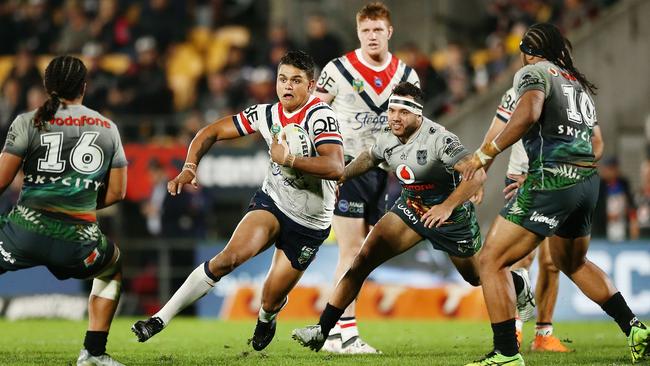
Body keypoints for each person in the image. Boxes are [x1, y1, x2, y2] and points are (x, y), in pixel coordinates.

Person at [291, 82, 534, 353]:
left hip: (450, 218)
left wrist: (448, 206)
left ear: (418, 114)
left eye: (402, 112)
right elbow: (370, 157)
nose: (395, 117)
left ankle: (520, 283)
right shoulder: (387, 135)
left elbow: (476, 174)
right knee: (361, 261)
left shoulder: (439, 139)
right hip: (410, 208)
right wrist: (342, 176)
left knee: (477, 277)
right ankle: (321, 330)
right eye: (391, 110)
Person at [460, 23, 649, 365]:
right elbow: (598, 143)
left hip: (551, 181)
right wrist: (575, 172)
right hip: (588, 183)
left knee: (491, 260)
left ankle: (505, 352)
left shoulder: (533, 73)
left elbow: (527, 114)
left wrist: (487, 155)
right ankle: (635, 327)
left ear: (526, 52)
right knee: (571, 262)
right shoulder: (576, 84)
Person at [131, 50, 345, 352]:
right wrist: (189, 167)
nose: (287, 86)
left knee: (271, 296)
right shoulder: (266, 114)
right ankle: (158, 319)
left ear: (311, 86)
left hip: (310, 223)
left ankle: (266, 318)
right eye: (282, 79)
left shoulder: (320, 117)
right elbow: (211, 131)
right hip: (274, 202)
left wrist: (291, 159)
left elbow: (336, 167)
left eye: (296, 81)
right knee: (228, 258)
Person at [0, 55, 127, 366]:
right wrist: (77, 201)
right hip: (79, 242)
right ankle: (93, 353)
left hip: (23, 234)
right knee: (112, 268)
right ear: (84, 87)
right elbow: (117, 192)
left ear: (46, 86)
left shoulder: (27, 121)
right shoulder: (108, 128)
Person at [313, 2, 420, 353]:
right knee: (352, 249)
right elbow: (312, 109)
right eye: (365, 31)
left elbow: (416, 126)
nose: (372, 36)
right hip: (347, 167)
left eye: (378, 30)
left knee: (365, 254)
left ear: (390, 32)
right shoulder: (338, 69)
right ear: (358, 33)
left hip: (383, 172)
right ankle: (343, 332)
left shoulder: (407, 75)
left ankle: (334, 332)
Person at [477, 86, 603, 352]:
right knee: (519, 257)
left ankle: (543, 335)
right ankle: (514, 330)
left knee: (552, 262)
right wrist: (481, 175)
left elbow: (596, 143)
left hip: (558, 181)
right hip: (523, 176)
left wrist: (571, 172)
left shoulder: (574, 95)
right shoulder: (519, 90)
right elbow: (494, 133)